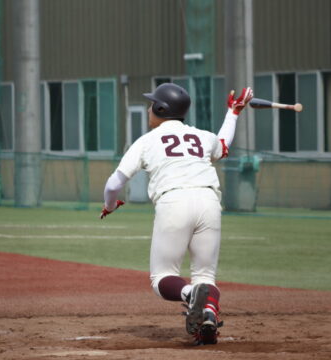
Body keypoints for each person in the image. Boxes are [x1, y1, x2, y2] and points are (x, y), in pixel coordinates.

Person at [99, 82, 253, 345]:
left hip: (174, 202)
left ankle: (190, 294)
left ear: (160, 108)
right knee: (205, 276)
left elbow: (114, 184)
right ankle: (207, 319)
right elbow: (224, 145)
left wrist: (110, 206)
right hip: (209, 201)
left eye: (152, 104)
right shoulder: (202, 136)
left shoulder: (146, 141)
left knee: (161, 278)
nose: (149, 108)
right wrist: (233, 113)